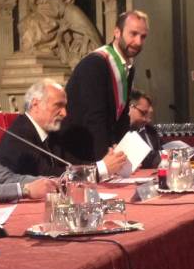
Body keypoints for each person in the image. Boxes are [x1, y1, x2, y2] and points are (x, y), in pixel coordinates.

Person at [61, 10, 150, 162]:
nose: (138, 42)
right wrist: (104, 163)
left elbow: (121, 117)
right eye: (133, 34)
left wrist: (125, 156)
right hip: (79, 152)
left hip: (103, 150)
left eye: (143, 37)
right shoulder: (95, 63)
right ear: (117, 32)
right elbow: (94, 117)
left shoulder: (128, 67)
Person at [0, 79, 127, 177]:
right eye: (58, 105)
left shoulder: (51, 133)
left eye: (65, 106)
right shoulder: (18, 137)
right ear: (35, 105)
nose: (64, 113)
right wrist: (101, 169)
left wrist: (110, 163)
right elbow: (49, 176)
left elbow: (72, 164)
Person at [128, 89, 161, 169]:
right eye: (143, 113)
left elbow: (160, 155)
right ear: (130, 107)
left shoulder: (151, 131)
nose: (146, 119)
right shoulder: (117, 134)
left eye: (148, 114)